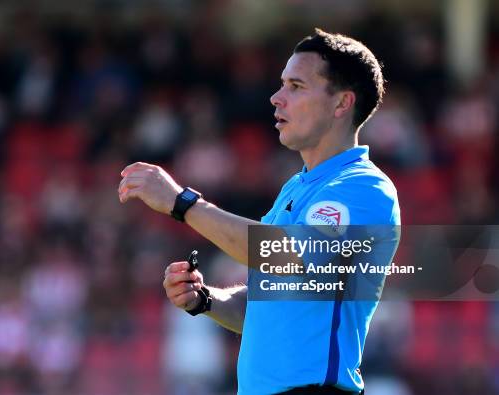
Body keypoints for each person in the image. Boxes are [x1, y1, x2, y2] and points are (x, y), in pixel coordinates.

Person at [118, 28, 400, 395]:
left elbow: (287, 257)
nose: (276, 97)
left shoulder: (364, 188)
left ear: (341, 104)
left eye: (296, 86)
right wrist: (205, 299)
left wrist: (182, 203)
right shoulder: (297, 188)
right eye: (282, 84)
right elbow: (264, 304)